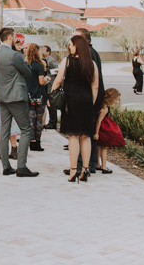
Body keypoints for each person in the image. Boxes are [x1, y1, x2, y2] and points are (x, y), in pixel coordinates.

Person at [50, 34, 99, 183]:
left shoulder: (68, 61)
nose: (69, 47)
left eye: (71, 45)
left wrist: (51, 95)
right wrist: (91, 102)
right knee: (85, 136)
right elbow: (95, 86)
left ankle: (73, 171)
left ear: (76, 46)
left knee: (73, 136)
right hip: (86, 101)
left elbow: (58, 80)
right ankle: (85, 170)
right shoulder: (92, 64)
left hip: (71, 101)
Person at [0, 28, 39, 178]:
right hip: (16, 96)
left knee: (4, 131)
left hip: (1, 95)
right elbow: (28, 72)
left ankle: (6, 166)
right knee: (26, 129)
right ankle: (21, 166)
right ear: (10, 37)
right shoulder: (14, 55)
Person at [76, 28, 105, 175]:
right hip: (92, 97)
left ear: (84, 40)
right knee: (89, 132)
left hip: (90, 98)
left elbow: (91, 81)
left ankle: (83, 165)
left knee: (85, 133)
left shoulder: (88, 54)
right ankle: (91, 164)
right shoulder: (92, 52)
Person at [23, 43, 49, 151]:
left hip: (28, 96)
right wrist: (47, 79)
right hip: (39, 96)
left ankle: (31, 140)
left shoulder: (25, 65)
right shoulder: (39, 66)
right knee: (39, 120)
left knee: (30, 119)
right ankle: (37, 142)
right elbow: (41, 81)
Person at [94, 88, 126, 173]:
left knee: (98, 147)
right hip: (102, 129)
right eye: (116, 100)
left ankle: (97, 164)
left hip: (100, 129)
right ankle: (104, 166)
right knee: (104, 147)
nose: (116, 102)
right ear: (111, 98)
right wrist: (96, 133)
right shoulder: (105, 109)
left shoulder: (100, 105)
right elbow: (99, 121)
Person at [43, 46, 59, 130]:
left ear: (48, 52)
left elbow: (57, 71)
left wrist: (49, 75)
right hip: (46, 85)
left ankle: (53, 122)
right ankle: (50, 122)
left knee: (51, 105)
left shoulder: (51, 60)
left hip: (51, 84)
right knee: (48, 104)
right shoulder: (43, 60)